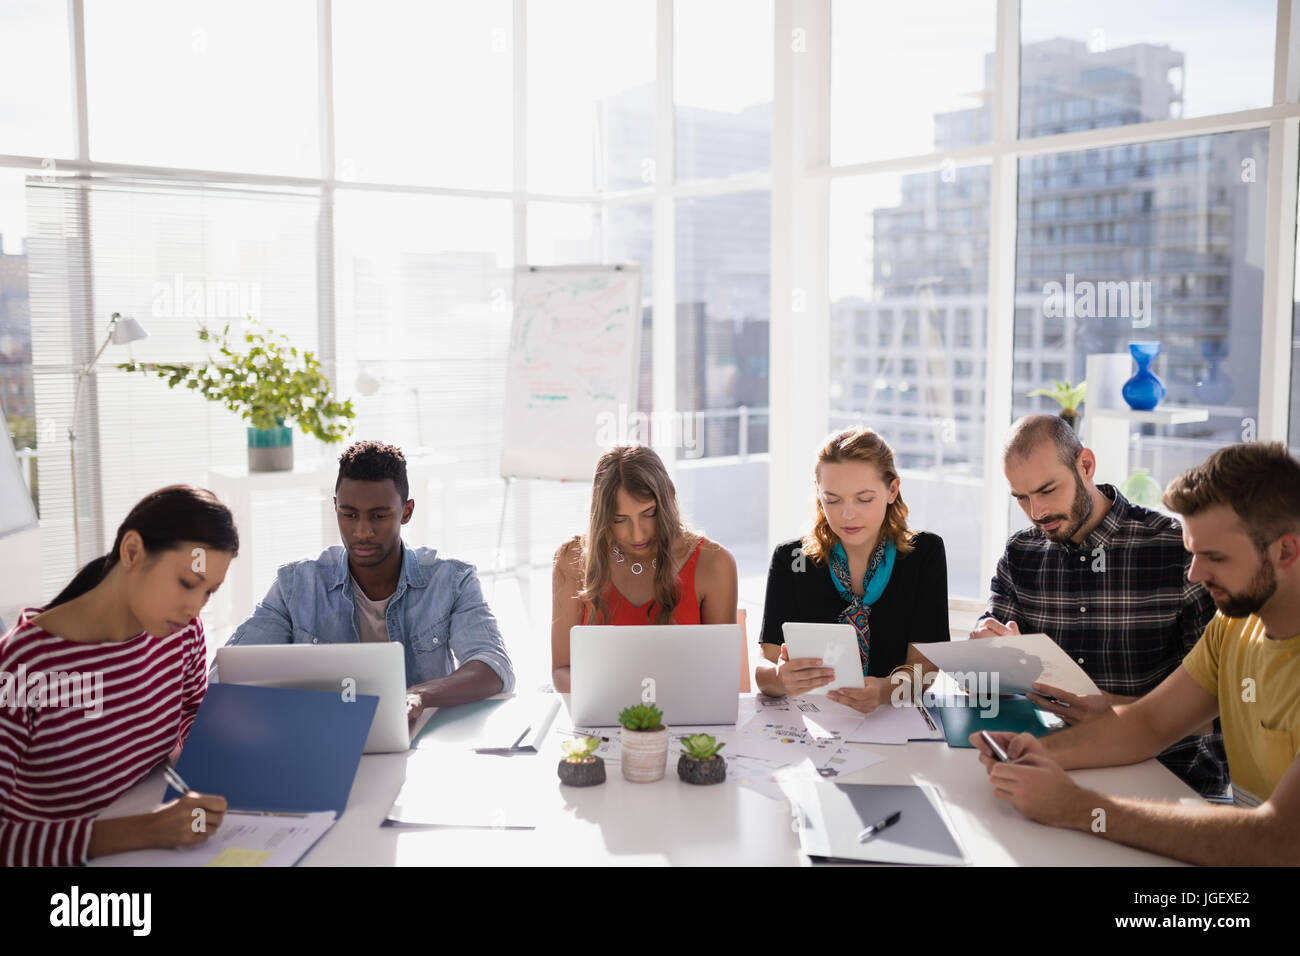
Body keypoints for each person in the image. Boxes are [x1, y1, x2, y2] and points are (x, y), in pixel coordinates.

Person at [971, 442, 1300, 865]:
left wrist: (1077, 808)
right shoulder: (1234, 625)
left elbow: (1279, 841)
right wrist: (1033, 751)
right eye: (1193, 552)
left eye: (1215, 557)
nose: (1196, 574)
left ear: (1286, 551)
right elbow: (1147, 724)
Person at [971, 414, 1227, 796]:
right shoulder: (1021, 553)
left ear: (1086, 466)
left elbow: (1221, 716)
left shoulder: (1177, 551)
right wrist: (987, 653)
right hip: (1052, 760)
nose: (1036, 512)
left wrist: (1114, 711)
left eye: (1046, 490)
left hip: (1168, 776)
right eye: (1021, 498)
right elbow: (989, 666)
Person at [0, 485, 237, 866]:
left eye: (208, 593)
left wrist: (222, 758)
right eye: (187, 584)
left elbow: (191, 714)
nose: (195, 609)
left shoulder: (181, 635)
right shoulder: (23, 664)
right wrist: (146, 829)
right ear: (132, 552)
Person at [227, 440, 514, 723]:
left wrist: (419, 696)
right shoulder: (296, 585)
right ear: (336, 507)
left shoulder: (451, 580)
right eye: (349, 515)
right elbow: (231, 672)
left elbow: (493, 665)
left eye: (379, 516)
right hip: (323, 742)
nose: (362, 532)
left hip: (421, 748)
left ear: (407, 512)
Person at [757, 427, 949, 713]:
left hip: (893, 721)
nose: (847, 514)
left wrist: (885, 691)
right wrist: (780, 679)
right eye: (832, 499)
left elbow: (926, 672)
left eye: (864, 498)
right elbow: (765, 668)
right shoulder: (792, 558)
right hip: (817, 722)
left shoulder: (924, 554)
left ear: (892, 490)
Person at [550, 444, 738, 693]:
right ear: (602, 516)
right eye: (619, 520)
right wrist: (622, 692)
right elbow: (562, 671)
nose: (637, 534)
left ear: (667, 501)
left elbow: (722, 676)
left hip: (688, 720)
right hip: (603, 718)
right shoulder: (572, 558)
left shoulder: (714, 563)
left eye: (648, 513)